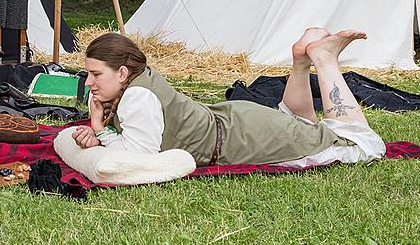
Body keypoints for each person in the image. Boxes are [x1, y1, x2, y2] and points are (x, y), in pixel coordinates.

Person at [72, 28, 386, 168]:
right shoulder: (124, 88)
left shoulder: (137, 96)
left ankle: (324, 58)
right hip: (236, 120)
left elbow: (138, 159)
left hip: (244, 136)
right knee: (299, 123)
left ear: (123, 73)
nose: (89, 83)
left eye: (96, 74)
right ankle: (301, 61)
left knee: (365, 144)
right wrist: (101, 134)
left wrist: (100, 132)